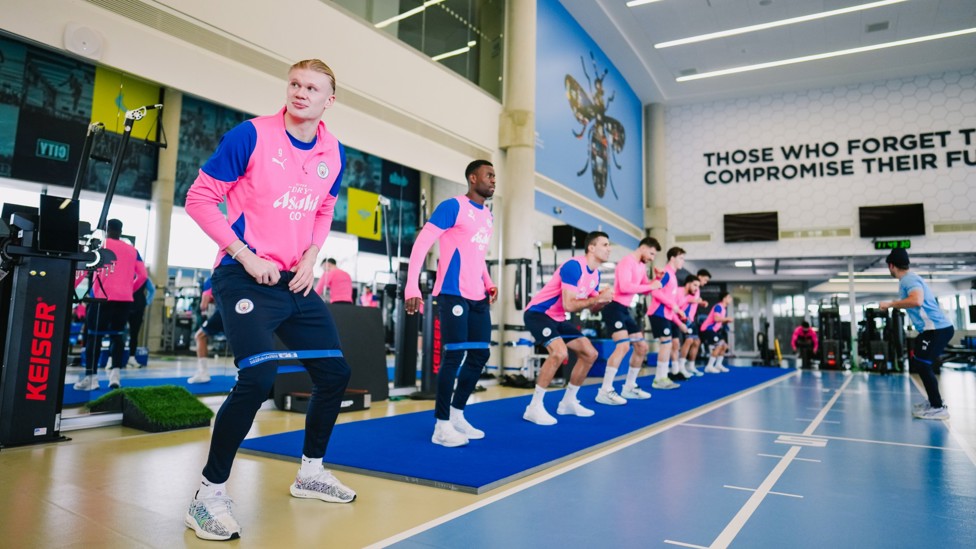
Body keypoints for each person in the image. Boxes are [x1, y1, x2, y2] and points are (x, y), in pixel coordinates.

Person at [183, 59, 355, 541]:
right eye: (295, 84)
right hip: (243, 273)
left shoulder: (333, 150)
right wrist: (243, 253)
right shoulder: (251, 136)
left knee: (335, 373)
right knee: (258, 376)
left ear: (329, 100)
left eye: (313, 88)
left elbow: (323, 207)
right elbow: (198, 198)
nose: (301, 93)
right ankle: (207, 495)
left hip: (294, 279)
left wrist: (312, 258)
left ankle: (311, 472)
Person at [405, 159, 498, 447]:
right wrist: (412, 285)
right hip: (452, 292)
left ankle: (458, 414)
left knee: (480, 355)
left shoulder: (488, 216)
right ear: (473, 178)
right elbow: (422, 244)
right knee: (453, 357)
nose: (494, 180)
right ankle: (441, 425)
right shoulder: (452, 206)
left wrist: (488, 281)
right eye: (489, 175)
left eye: (495, 176)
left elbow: (477, 255)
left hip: (478, 296)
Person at [522, 231, 613, 425]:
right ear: (591, 247)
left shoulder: (595, 274)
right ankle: (534, 407)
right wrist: (597, 298)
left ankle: (569, 402)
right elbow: (570, 305)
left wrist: (603, 299)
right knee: (559, 353)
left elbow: (592, 305)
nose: (609, 249)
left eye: (609, 245)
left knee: (590, 353)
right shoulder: (574, 266)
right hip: (539, 313)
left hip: (558, 318)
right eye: (605, 244)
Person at [879, 248, 954, 420]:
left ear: (891, 266)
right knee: (920, 363)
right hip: (932, 329)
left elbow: (916, 300)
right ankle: (934, 402)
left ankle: (938, 407)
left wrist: (890, 304)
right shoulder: (908, 279)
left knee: (922, 364)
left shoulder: (908, 280)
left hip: (937, 329)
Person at [73, 218, 148, 391]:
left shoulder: (100, 245)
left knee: (94, 337)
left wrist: (72, 289)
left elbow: (84, 269)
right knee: (117, 337)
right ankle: (115, 378)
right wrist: (130, 289)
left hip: (102, 300)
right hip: (124, 300)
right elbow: (143, 276)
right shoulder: (133, 250)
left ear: (107, 229)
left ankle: (91, 378)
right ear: (121, 231)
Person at [595, 237, 662, 406]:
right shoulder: (627, 262)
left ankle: (629, 387)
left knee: (642, 347)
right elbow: (625, 287)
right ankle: (605, 390)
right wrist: (650, 286)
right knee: (623, 346)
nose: (652, 258)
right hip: (614, 307)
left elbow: (645, 290)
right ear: (644, 248)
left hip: (626, 309)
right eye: (652, 253)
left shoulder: (641, 266)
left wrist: (655, 281)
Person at [646, 247, 688, 389]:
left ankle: (662, 377)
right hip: (658, 313)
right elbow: (655, 291)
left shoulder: (673, 276)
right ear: (672, 258)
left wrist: (678, 311)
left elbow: (671, 299)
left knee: (668, 344)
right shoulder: (667, 273)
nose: (683, 261)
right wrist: (674, 306)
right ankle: (660, 379)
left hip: (666, 315)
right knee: (666, 344)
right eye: (681, 258)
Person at [188, 277, 223, 384]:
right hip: (240, 309)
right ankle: (243, 372)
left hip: (223, 310)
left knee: (200, 336)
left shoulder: (211, 280)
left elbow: (204, 304)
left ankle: (203, 373)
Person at [677, 269, 711, 375]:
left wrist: (700, 302)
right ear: (699, 276)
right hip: (684, 318)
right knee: (689, 341)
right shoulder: (689, 288)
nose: (705, 283)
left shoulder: (697, 290)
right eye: (704, 280)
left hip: (692, 318)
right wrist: (698, 301)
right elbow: (686, 298)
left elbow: (693, 300)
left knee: (697, 342)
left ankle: (691, 366)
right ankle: (681, 366)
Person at [669, 274, 702, 379]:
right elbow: (672, 307)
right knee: (675, 344)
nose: (697, 289)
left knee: (679, 343)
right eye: (695, 285)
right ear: (688, 284)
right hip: (670, 318)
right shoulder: (678, 291)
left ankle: (679, 369)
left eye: (698, 286)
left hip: (683, 320)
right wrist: (680, 321)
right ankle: (676, 369)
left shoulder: (689, 296)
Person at [701, 292, 734, 373]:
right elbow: (716, 319)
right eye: (729, 297)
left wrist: (726, 322)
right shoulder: (718, 306)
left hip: (713, 330)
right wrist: (727, 319)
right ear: (724, 298)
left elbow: (719, 321)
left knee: (724, 346)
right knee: (719, 345)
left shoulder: (723, 308)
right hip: (707, 329)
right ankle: (709, 366)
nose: (731, 299)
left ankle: (718, 364)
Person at [126, 275, 155, 367]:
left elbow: (152, 290)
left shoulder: (144, 277)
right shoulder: (125, 274)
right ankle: (113, 359)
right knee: (118, 334)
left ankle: (131, 358)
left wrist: (146, 302)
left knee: (134, 335)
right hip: (124, 306)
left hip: (138, 309)